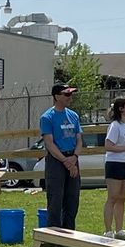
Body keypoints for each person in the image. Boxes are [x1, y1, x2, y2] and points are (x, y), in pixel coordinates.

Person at [40, 83, 84, 230]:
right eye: (66, 94)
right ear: (57, 96)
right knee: (55, 199)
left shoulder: (74, 115)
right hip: (57, 161)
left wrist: (75, 157)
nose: (69, 97)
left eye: (71, 94)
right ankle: (54, 235)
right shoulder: (47, 117)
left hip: (72, 158)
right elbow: (49, 143)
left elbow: (79, 140)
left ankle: (69, 232)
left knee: (72, 198)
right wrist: (65, 161)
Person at [102, 95, 125, 239]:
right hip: (115, 164)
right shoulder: (115, 125)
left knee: (122, 198)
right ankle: (108, 230)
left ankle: (119, 229)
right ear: (121, 109)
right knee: (112, 197)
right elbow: (108, 146)